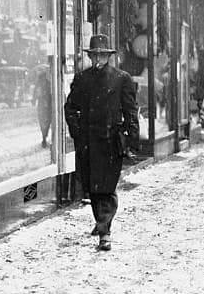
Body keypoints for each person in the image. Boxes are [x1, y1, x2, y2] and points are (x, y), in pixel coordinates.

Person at [64, 34, 139, 251]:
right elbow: (70, 108)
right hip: (87, 142)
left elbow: (130, 111)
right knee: (92, 187)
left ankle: (104, 232)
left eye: (102, 55)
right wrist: (77, 131)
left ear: (109, 56)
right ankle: (102, 221)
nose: (98, 59)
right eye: (94, 55)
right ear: (90, 56)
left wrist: (131, 140)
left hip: (109, 142)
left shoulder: (121, 78)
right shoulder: (82, 79)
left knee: (106, 187)